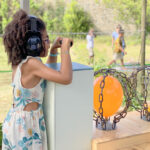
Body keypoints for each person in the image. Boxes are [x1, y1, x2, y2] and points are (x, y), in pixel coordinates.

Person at [2, 9, 73, 150]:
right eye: (45, 39)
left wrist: (52, 51)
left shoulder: (22, 62)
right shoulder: (33, 64)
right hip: (26, 127)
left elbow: (45, 72)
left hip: (16, 123)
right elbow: (65, 77)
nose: (47, 42)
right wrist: (65, 49)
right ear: (33, 42)